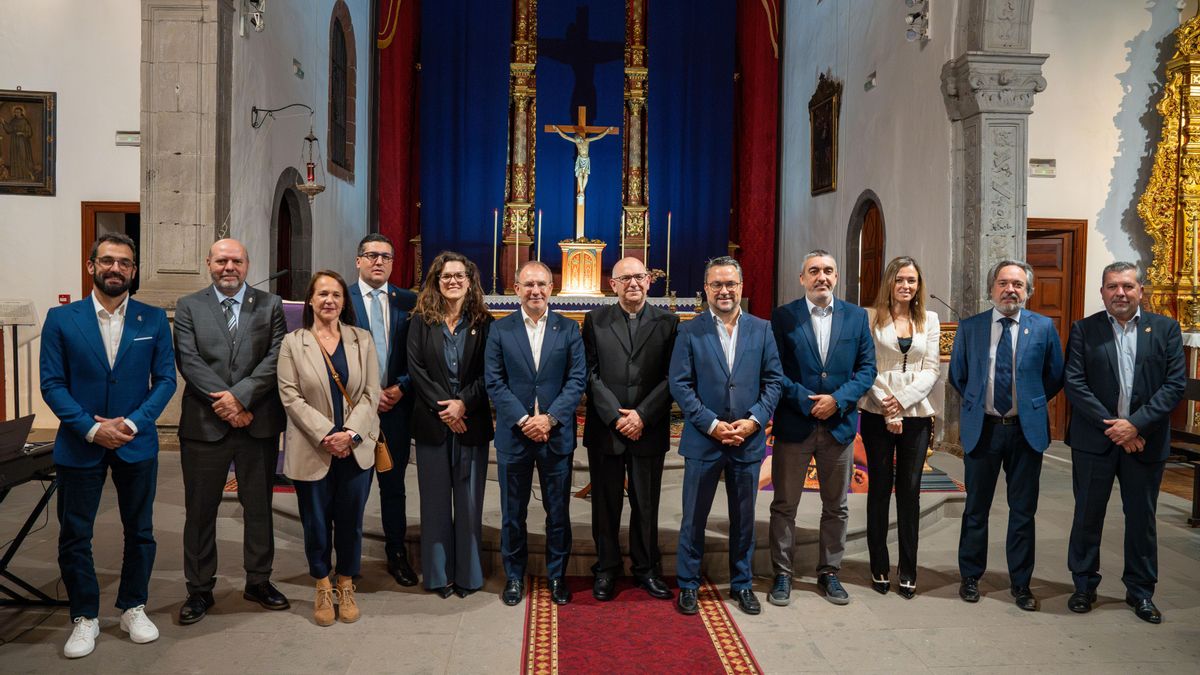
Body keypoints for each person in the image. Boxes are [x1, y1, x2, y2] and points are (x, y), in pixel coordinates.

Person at [40, 233, 176, 658]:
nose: (116, 268)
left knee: (140, 531)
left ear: (134, 271)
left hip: (137, 443)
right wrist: (91, 428)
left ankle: (134, 606)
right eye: (108, 261)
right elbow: (52, 384)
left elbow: (167, 380)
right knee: (75, 534)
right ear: (91, 266)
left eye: (125, 263)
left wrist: (133, 423)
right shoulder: (61, 319)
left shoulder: (152, 320)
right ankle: (85, 616)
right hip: (81, 444)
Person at [173, 238, 290, 625]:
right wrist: (225, 404)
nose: (229, 267)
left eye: (236, 260)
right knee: (200, 511)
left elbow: (275, 356)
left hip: (256, 422)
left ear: (247, 264)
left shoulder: (270, 305)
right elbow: (188, 359)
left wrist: (240, 399)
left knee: (258, 509)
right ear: (208, 263)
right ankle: (199, 588)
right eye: (221, 260)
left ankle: (259, 580)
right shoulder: (190, 306)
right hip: (205, 425)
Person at [1063, 262, 1185, 624]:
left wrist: (1135, 425)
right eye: (1113, 286)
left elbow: (1174, 385)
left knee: (1142, 519)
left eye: (1128, 286)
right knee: (1087, 516)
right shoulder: (1085, 330)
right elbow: (1075, 383)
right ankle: (1084, 585)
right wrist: (1115, 428)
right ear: (1102, 292)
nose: (1120, 293)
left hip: (1145, 442)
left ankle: (1141, 591)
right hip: (1095, 442)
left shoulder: (1165, 329)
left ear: (1140, 291)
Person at [670, 256, 783, 616]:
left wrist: (753, 421)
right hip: (704, 440)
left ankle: (742, 583)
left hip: (747, 440)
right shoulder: (690, 330)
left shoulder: (762, 329)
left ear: (741, 287)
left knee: (744, 517)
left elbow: (774, 381)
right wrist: (712, 424)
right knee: (694, 517)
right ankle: (688, 584)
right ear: (705, 289)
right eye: (716, 284)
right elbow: (680, 384)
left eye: (730, 284)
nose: (723, 290)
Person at [950, 259, 1064, 611]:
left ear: (1028, 292)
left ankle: (1021, 584)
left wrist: (1028, 404)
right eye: (1003, 283)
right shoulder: (971, 327)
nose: (1010, 289)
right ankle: (970, 577)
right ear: (991, 289)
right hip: (982, 430)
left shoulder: (1043, 328)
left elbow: (1054, 376)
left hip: (1024, 433)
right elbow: (959, 375)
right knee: (975, 510)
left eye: (1017, 284)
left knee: (1023, 512)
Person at [768, 250, 876, 607]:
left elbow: (866, 370)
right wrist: (807, 400)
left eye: (828, 270)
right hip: (795, 424)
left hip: (839, 426)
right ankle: (782, 574)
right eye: (813, 271)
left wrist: (838, 400)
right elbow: (775, 370)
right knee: (785, 505)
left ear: (837, 276)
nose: (822, 277)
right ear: (802, 278)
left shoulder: (857, 317)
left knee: (836, 506)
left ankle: (829, 572)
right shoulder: (783, 317)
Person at [277, 271, 381, 626]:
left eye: (336, 294)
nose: (329, 300)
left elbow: (371, 392)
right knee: (316, 521)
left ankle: (346, 582)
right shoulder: (294, 342)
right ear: (310, 300)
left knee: (351, 521)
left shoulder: (361, 339)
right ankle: (322, 583)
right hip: (313, 447)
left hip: (355, 448)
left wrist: (350, 433)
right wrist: (327, 434)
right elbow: (289, 396)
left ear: (344, 301)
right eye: (322, 294)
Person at [484, 260, 586, 607]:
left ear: (551, 288)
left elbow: (577, 380)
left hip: (555, 436)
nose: (536, 291)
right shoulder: (501, 329)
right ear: (516, 289)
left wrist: (551, 418)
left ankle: (557, 575)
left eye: (542, 284)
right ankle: (514, 576)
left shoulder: (568, 329)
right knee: (513, 513)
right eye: (528, 285)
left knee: (558, 512)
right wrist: (525, 419)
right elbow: (494, 381)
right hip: (515, 435)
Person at [582, 257, 679, 602]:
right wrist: (615, 416)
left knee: (646, 504)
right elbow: (589, 374)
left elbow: (673, 376)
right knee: (605, 505)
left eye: (639, 277)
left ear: (649, 281)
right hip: (606, 429)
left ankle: (646, 569)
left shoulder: (669, 322)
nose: (633, 283)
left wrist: (642, 415)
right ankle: (606, 569)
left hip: (648, 429)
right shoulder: (595, 321)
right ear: (613, 284)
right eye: (626, 278)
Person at [406, 251, 494, 598]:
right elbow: (416, 369)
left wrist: (463, 404)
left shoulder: (485, 323)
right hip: (432, 423)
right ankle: (439, 574)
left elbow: (491, 372)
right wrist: (446, 408)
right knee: (435, 502)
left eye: (459, 276)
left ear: (470, 282)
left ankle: (469, 575)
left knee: (470, 504)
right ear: (436, 282)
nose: (453, 281)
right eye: (446, 276)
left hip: (471, 423)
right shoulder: (420, 321)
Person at [857, 256, 940, 599]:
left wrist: (902, 403)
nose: (907, 286)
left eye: (913, 281)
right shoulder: (870, 317)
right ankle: (878, 564)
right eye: (901, 280)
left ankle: (908, 569)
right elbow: (865, 364)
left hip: (917, 413)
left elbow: (932, 368)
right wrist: (886, 404)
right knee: (879, 489)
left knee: (910, 491)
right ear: (889, 282)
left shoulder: (930, 319)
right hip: (876, 411)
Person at [347, 233, 419, 587]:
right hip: (352, 411)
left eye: (386, 257)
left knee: (394, 487)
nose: (379, 262)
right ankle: (346, 558)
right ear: (358, 260)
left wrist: (401, 386)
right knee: (352, 487)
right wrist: (367, 394)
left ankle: (396, 554)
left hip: (395, 409)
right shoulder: (339, 299)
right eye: (372, 255)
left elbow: (418, 355)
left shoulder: (409, 302)